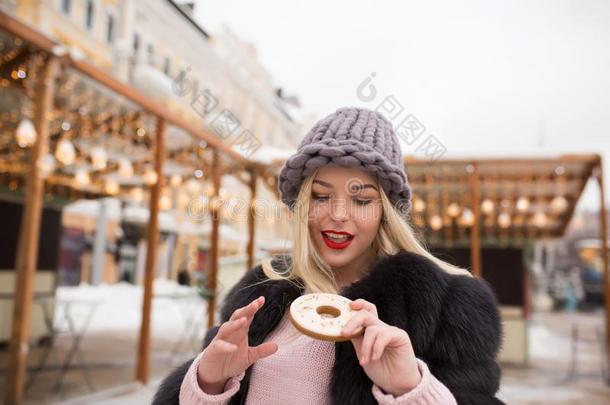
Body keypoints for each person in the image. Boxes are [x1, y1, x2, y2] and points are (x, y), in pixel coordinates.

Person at [153, 107, 504, 404]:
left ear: (386, 211)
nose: (338, 214)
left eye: (361, 199)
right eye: (321, 196)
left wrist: (409, 388)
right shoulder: (261, 291)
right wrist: (208, 384)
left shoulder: (446, 304)